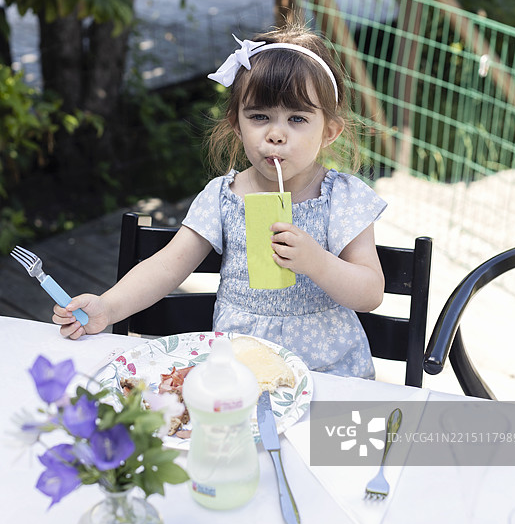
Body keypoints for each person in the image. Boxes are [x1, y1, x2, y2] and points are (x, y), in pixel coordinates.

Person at [54, 24, 387, 378]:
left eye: (297, 119)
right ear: (236, 124)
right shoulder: (223, 197)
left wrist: (316, 261)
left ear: (329, 132)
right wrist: (107, 307)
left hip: (329, 373)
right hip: (239, 372)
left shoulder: (341, 198)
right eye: (259, 117)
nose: (275, 134)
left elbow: (370, 293)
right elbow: (167, 266)